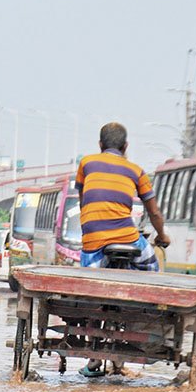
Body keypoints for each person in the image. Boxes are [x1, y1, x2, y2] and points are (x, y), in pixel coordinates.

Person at [75, 122, 170, 378]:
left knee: (94, 294)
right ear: (125, 147)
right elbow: (154, 212)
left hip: (93, 243)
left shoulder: (86, 164)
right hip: (128, 238)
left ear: (100, 145)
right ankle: (140, 320)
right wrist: (163, 236)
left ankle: (93, 357)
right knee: (152, 269)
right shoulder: (136, 170)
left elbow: (84, 200)